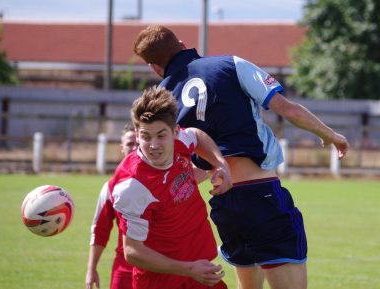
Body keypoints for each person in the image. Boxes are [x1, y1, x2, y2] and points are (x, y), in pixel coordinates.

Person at [133, 25, 350, 289]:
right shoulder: (230, 64)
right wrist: (330, 134)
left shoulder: (163, 97)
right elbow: (288, 109)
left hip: (223, 204)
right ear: (181, 43)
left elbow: (181, 159)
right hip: (261, 195)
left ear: (154, 67)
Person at [110, 86, 232, 289]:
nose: (153, 145)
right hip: (161, 281)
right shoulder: (131, 186)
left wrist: (220, 164)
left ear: (175, 131)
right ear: (137, 134)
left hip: (199, 270)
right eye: (145, 136)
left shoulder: (180, 142)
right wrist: (188, 269)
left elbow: (196, 135)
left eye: (161, 135)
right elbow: (132, 251)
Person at [86, 124, 137, 289]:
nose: (135, 147)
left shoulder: (164, 180)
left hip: (163, 269)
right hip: (125, 272)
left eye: (138, 142)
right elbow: (100, 229)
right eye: (130, 144)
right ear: (122, 148)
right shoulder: (111, 187)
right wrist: (91, 269)